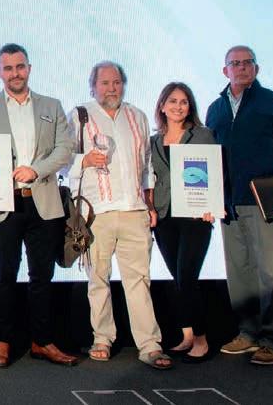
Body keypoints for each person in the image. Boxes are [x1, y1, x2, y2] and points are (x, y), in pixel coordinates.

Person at [0, 44, 79, 368]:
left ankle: (42, 341)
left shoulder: (51, 105)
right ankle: (2, 340)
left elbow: (65, 149)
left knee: (41, 276)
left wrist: (36, 170)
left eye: (20, 67)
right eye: (8, 68)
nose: (15, 73)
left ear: (29, 68)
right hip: (3, 203)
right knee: (4, 273)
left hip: (42, 201)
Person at [205, 45, 273, 366]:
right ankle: (248, 333)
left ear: (256, 68)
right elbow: (209, 161)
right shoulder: (215, 109)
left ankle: (271, 340)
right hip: (230, 205)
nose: (241, 68)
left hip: (270, 204)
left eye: (247, 63)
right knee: (240, 273)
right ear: (225, 71)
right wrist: (210, 200)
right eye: (234, 63)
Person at [66, 61, 170, 369]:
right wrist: (84, 160)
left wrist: (149, 204)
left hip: (134, 211)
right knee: (98, 279)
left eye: (116, 83)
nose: (111, 89)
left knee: (139, 280)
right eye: (105, 83)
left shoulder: (137, 116)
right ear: (93, 87)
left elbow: (147, 166)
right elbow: (61, 161)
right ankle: (102, 338)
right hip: (96, 212)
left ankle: (149, 345)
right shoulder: (79, 116)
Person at [149, 82, 217, 364]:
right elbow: (149, 179)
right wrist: (150, 208)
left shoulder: (202, 135)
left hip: (195, 216)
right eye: (173, 101)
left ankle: (201, 338)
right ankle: (187, 335)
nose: (178, 106)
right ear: (162, 106)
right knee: (178, 278)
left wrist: (212, 205)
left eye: (184, 102)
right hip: (165, 216)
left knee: (188, 276)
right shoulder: (153, 141)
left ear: (190, 107)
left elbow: (214, 171)